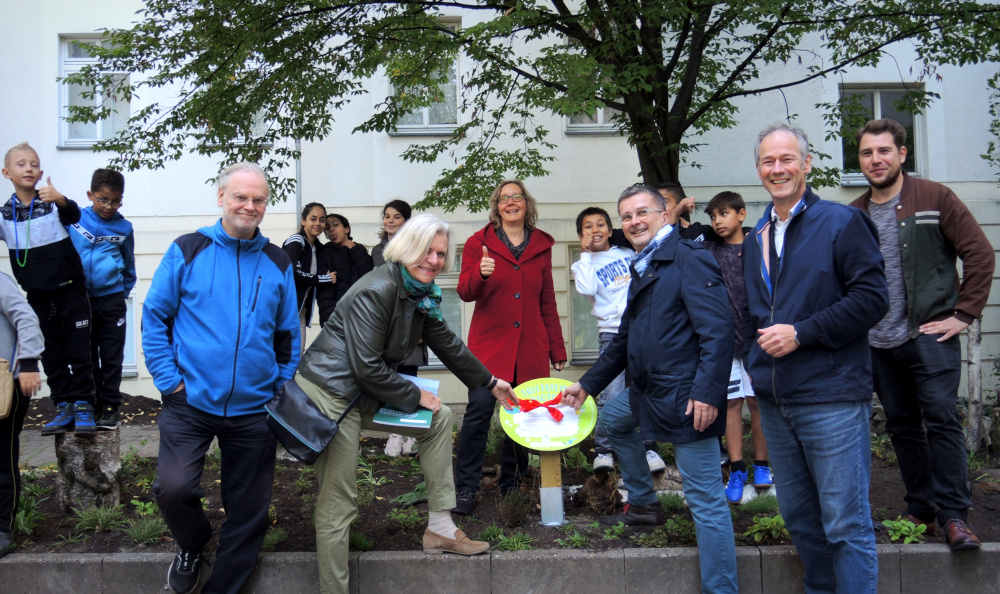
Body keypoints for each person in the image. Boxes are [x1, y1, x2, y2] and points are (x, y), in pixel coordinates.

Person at [295, 214, 516, 594]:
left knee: (441, 417)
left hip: (363, 390)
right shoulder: (379, 288)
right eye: (426, 250)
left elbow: (448, 343)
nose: (434, 260)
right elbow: (366, 366)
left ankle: (440, 529)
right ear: (406, 247)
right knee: (340, 499)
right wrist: (414, 394)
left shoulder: (417, 292)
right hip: (330, 394)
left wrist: (491, 382)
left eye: (441, 253)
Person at [562, 184, 737, 594]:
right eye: (626, 216)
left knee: (706, 501)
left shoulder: (689, 259)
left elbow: (718, 332)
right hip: (648, 389)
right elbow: (624, 338)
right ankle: (642, 504)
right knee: (615, 420)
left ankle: (722, 589)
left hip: (689, 396)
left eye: (642, 212)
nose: (634, 221)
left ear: (665, 214)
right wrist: (587, 385)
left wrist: (709, 393)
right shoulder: (643, 263)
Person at [742, 124, 889, 592]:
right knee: (802, 522)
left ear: (806, 164)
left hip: (831, 398)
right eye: (769, 161)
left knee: (845, 524)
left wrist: (802, 334)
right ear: (759, 170)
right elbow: (753, 313)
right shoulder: (756, 236)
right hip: (776, 400)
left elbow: (872, 299)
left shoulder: (842, 223)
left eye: (787, 159)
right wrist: (755, 365)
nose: (778, 168)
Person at [142, 162, 300, 594]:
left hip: (254, 409)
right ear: (221, 198)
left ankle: (222, 588)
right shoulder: (188, 249)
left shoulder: (277, 260)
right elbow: (155, 317)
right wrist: (168, 380)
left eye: (259, 199)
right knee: (173, 489)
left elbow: (289, 333)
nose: (249, 206)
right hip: (189, 401)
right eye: (240, 197)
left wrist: (279, 385)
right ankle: (192, 544)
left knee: (249, 511)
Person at [849, 118, 995, 551]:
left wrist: (963, 314)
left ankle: (954, 516)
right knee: (902, 427)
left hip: (930, 334)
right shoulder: (852, 214)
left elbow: (980, 254)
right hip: (877, 342)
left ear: (902, 154)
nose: (876, 160)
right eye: (867, 153)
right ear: (859, 160)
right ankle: (921, 511)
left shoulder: (934, 197)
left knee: (941, 420)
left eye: (884, 151)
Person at [453, 180, 567, 515]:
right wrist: (481, 273)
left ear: (527, 204)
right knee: (477, 415)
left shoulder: (542, 246)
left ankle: (512, 485)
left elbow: (547, 299)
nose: (511, 202)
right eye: (504, 199)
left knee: (523, 417)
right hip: (489, 349)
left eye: (517, 197)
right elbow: (464, 291)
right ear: (496, 206)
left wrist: (557, 349)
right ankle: (466, 488)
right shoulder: (478, 243)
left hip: (530, 347)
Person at [1, 142, 96, 436]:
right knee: (52, 354)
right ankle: (63, 405)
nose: (28, 168)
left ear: (41, 172)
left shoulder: (52, 202)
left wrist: (62, 199)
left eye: (33, 164)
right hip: (38, 297)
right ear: (6, 172)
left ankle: (84, 405)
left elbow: (74, 217)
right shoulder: (4, 215)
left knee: (79, 352)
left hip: (70, 291)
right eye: (21, 164)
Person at [570, 206, 666, 474]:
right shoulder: (582, 264)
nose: (595, 230)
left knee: (644, 389)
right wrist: (586, 254)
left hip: (643, 328)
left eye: (600, 224)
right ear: (580, 235)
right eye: (588, 227)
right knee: (610, 393)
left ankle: (649, 448)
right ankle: (603, 450)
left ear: (610, 231)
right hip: (612, 333)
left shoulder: (626, 253)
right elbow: (587, 288)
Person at [701, 191, 772, 503]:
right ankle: (737, 467)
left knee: (757, 403)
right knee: (731, 404)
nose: (717, 221)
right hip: (725, 343)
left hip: (757, 339)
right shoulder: (707, 249)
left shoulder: (758, 244)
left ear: (741, 215)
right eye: (713, 216)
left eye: (724, 214)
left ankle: (762, 465)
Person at [68, 168, 136, 430]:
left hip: (112, 299)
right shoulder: (74, 220)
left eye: (116, 200)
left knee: (111, 354)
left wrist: (121, 293)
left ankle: (109, 407)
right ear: (90, 195)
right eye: (102, 199)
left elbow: (129, 267)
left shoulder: (124, 227)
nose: (109, 206)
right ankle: (90, 403)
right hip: (80, 299)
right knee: (86, 353)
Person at [371, 200, 427, 457]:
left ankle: (410, 433)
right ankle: (394, 433)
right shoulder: (377, 251)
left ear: (406, 220)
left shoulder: (418, 248)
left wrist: (419, 327)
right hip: (388, 321)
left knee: (410, 376)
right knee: (391, 378)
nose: (390, 221)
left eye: (396, 217)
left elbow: (423, 287)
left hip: (412, 317)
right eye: (387, 216)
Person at [0, 271, 43, 559]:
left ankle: (3, 528)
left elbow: (26, 320)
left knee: (2, 458)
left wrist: (28, 363)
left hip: (5, 383)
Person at [282, 202, 334, 351]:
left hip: (301, 311)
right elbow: (295, 274)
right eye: (313, 219)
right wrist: (326, 279)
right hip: (286, 309)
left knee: (296, 356)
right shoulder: (296, 241)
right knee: (284, 355)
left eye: (322, 220)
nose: (318, 223)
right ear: (303, 221)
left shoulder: (317, 247)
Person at [316, 213, 374, 322]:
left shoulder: (359, 249)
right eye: (327, 228)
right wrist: (330, 318)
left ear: (346, 229)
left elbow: (368, 276)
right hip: (337, 316)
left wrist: (354, 250)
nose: (332, 230)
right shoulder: (325, 253)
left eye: (336, 225)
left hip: (362, 312)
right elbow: (324, 293)